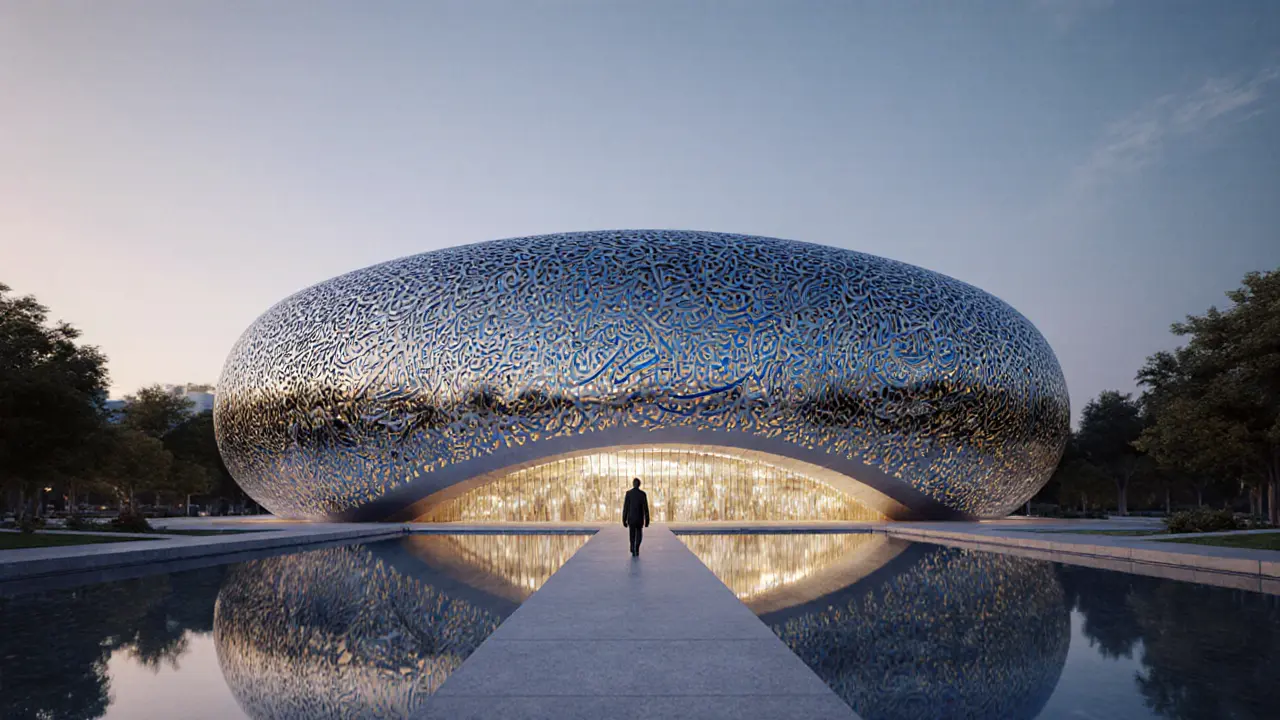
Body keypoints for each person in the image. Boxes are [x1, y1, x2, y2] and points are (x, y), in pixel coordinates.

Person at [622, 478, 650, 556]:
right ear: (639, 484)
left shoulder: (629, 493)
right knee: (639, 534)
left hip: (631, 518)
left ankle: (632, 547)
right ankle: (636, 547)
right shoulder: (642, 494)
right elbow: (646, 508)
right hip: (639, 518)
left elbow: (626, 508)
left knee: (632, 534)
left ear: (633, 484)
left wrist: (624, 519)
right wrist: (647, 520)